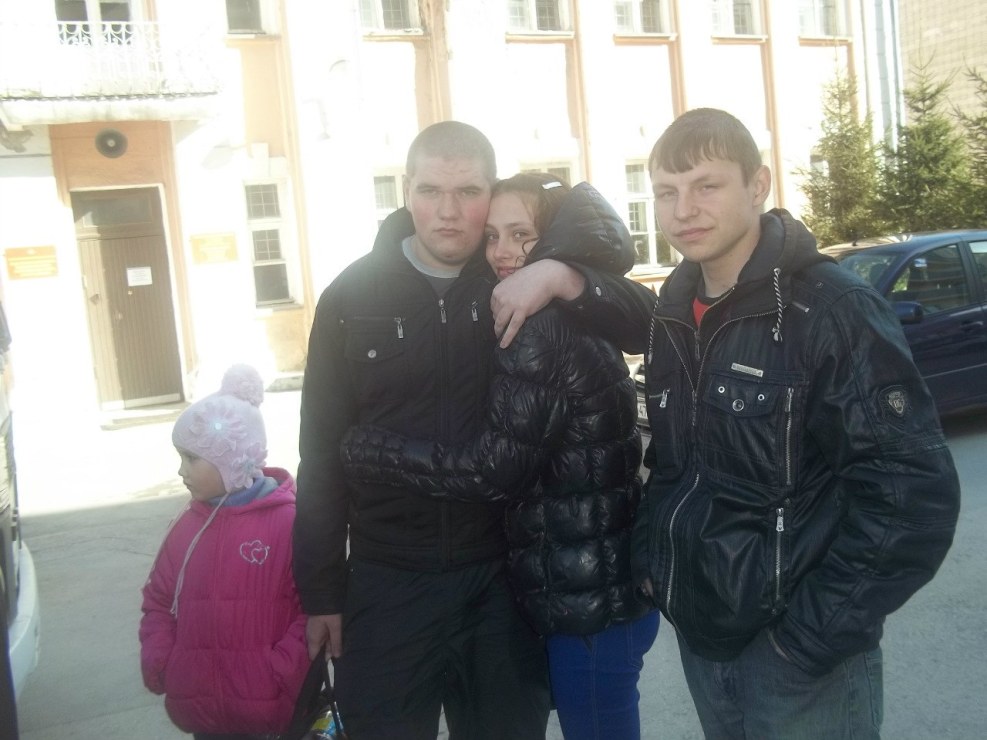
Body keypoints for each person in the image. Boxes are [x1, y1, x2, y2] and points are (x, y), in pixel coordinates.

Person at [292, 121, 654, 740]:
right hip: (387, 579)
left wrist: (560, 275)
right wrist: (321, 590)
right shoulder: (352, 295)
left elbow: (645, 322)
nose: (449, 211)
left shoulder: (516, 277)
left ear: (491, 192)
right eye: (431, 191)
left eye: (468, 192)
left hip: (501, 585)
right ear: (406, 191)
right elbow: (320, 449)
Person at [628, 107, 961, 739]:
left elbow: (913, 497)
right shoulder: (671, 311)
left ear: (757, 185)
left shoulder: (831, 309)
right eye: (666, 192)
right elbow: (671, 466)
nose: (683, 209)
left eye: (706, 185)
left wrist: (808, 639)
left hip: (800, 659)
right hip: (703, 638)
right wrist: (655, 565)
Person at [139, 364, 309, 740]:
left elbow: (310, 607)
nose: (180, 471)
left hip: (270, 712)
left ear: (230, 460)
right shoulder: (187, 527)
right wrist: (162, 659)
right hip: (202, 712)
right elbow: (158, 600)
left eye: (191, 458)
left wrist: (281, 671)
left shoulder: (287, 524)